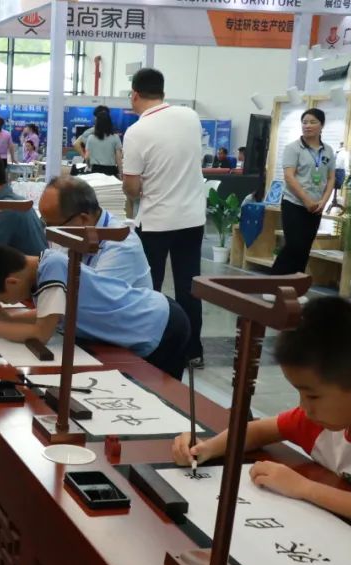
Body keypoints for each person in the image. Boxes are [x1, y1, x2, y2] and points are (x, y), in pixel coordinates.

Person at [172, 297, 351, 521]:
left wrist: (304, 488)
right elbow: (258, 431)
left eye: (313, 396)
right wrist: (206, 449)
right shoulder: (315, 422)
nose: (303, 406)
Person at [0, 243, 190, 379]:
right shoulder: (44, 267)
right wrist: (11, 319)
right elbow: (51, 315)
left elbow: (42, 332)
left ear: (11, 282)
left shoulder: (52, 270)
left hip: (160, 325)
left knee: (161, 399)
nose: (8, 304)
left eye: (1, 300)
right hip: (153, 319)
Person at [122, 68, 206, 368]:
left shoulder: (137, 132)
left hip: (156, 221)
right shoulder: (190, 117)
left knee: (149, 287)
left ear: (134, 94)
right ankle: (193, 350)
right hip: (192, 218)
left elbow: (132, 188)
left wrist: (141, 187)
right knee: (189, 285)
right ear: (163, 92)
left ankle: (154, 346)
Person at [37, 176, 152, 289]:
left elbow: (93, 295)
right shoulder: (75, 231)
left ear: (83, 219)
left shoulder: (122, 245)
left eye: (52, 227)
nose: (48, 234)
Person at [270, 109, 335, 276]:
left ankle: (295, 285)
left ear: (322, 125)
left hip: (316, 208)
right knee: (294, 246)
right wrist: (306, 200)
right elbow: (289, 177)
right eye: (305, 122)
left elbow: (331, 179)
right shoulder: (293, 148)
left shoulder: (328, 151)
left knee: (305, 248)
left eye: (313, 122)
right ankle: (273, 283)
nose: (307, 126)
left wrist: (323, 202)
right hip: (294, 204)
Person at [74, 106, 122, 177]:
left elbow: (87, 156)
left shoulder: (90, 137)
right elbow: (118, 158)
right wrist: (120, 172)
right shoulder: (115, 137)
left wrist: (88, 166)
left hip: (95, 169)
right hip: (111, 170)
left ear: (96, 120)